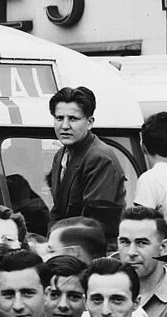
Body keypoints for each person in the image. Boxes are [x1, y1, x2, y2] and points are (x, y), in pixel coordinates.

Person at [45, 87, 129, 244]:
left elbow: (92, 224)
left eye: (73, 119)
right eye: (59, 118)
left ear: (89, 123)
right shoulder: (61, 155)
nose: (64, 126)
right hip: (68, 245)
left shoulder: (99, 158)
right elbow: (57, 211)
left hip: (92, 249)